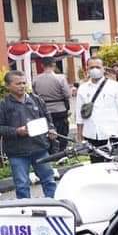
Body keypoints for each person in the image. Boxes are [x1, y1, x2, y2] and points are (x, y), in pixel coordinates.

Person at [0, 70, 58, 198]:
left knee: (49, 180)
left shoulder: (36, 100)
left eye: (24, 83)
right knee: (21, 185)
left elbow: (47, 119)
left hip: (40, 148)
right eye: (18, 84)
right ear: (8, 86)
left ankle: (53, 206)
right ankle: (25, 212)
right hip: (17, 153)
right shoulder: (3, 105)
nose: (22, 86)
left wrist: (51, 129)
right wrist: (16, 131)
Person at [76, 58, 118, 163]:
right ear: (87, 69)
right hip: (91, 134)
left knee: (115, 166)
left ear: (103, 69)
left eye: (97, 67)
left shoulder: (115, 86)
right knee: (97, 166)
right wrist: (79, 135)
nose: (94, 69)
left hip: (113, 134)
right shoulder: (82, 88)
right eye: (92, 67)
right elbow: (79, 114)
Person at [32, 57, 71, 153]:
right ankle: (61, 152)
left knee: (47, 132)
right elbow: (67, 94)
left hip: (44, 109)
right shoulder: (60, 78)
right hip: (60, 109)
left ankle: (49, 152)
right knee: (62, 133)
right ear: (54, 65)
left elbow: (34, 95)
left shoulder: (36, 79)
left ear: (42, 65)